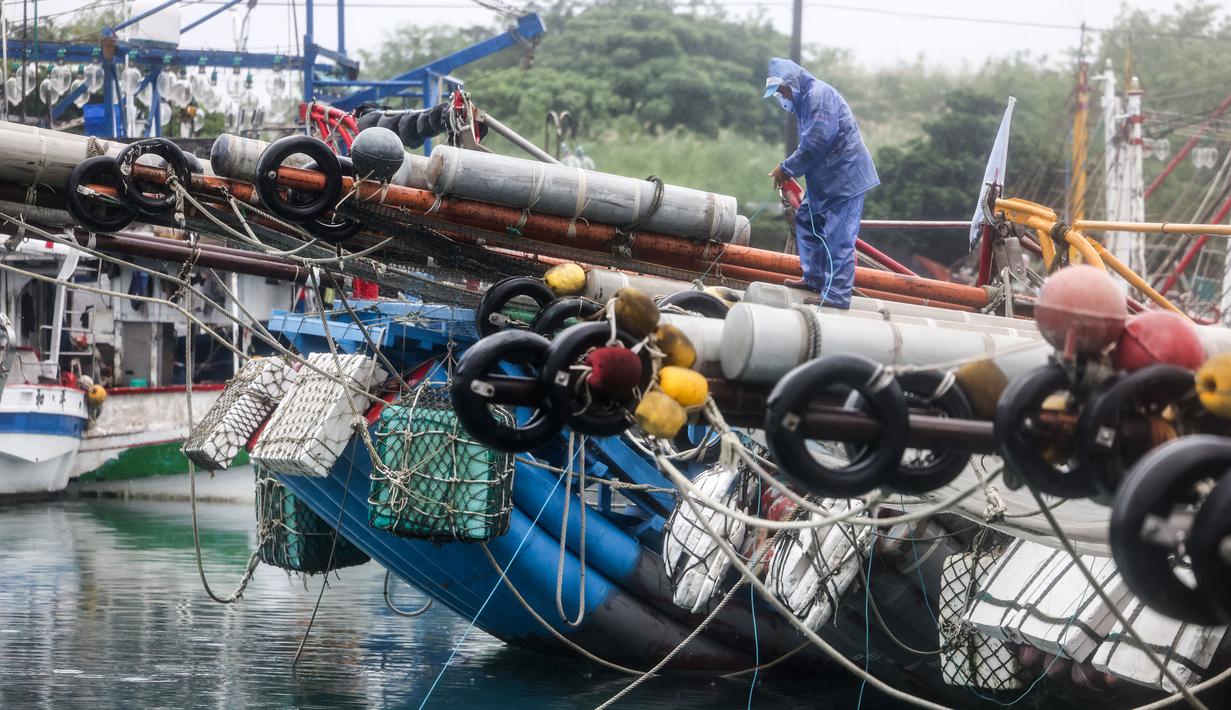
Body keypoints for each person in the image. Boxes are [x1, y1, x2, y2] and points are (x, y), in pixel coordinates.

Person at [764, 57, 879, 308]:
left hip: (845, 178)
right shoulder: (804, 101)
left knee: (838, 237)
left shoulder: (818, 96)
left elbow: (816, 141)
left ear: (792, 83)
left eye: (782, 89)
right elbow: (809, 143)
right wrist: (790, 168)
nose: (781, 95)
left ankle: (836, 294)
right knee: (806, 219)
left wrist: (786, 168)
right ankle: (814, 278)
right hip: (826, 181)